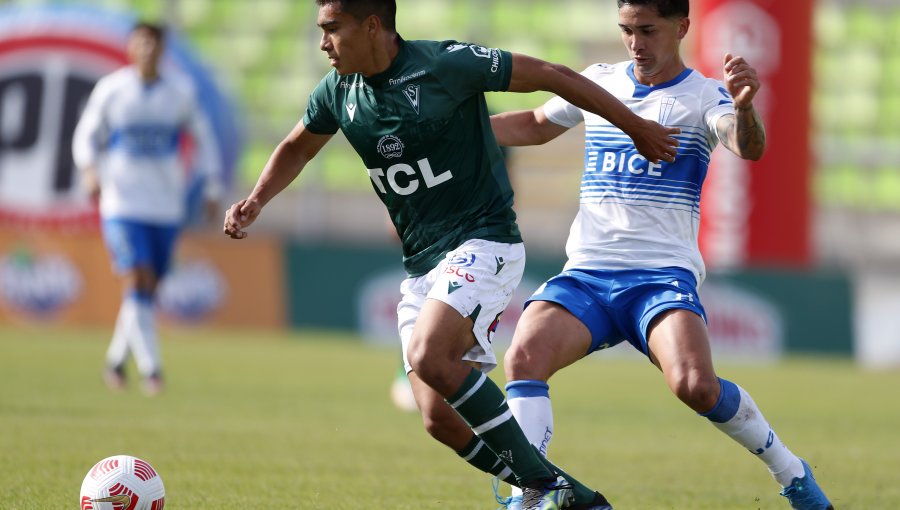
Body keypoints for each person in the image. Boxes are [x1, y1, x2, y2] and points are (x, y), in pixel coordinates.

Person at [224, 1, 679, 508]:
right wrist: (257, 199)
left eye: (332, 29)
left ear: (372, 25)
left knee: (428, 355)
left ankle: (542, 486)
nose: (323, 43)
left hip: (484, 240)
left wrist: (635, 126)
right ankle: (575, 495)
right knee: (437, 418)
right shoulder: (338, 91)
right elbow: (297, 147)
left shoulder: (444, 65)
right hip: (421, 263)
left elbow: (553, 74)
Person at [489, 1, 833, 509]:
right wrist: (455, 133)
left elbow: (748, 146)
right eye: (627, 31)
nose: (636, 43)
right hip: (587, 274)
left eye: (648, 30)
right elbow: (539, 124)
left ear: (681, 27)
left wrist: (743, 106)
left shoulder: (705, 96)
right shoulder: (600, 81)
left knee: (696, 386)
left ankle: (791, 473)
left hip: (658, 278)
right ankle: (529, 496)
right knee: (522, 357)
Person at [72, 22, 222, 396]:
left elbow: (204, 139)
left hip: (165, 206)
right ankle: (152, 369)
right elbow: (85, 136)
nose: (147, 50)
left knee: (146, 289)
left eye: (153, 44)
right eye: (140, 43)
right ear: (130, 47)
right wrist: (90, 172)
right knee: (136, 277)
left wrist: (212, 184)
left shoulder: (180, 92)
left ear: (162, 49)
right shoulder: (112, 90)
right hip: (122, 202)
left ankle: (114, 360)